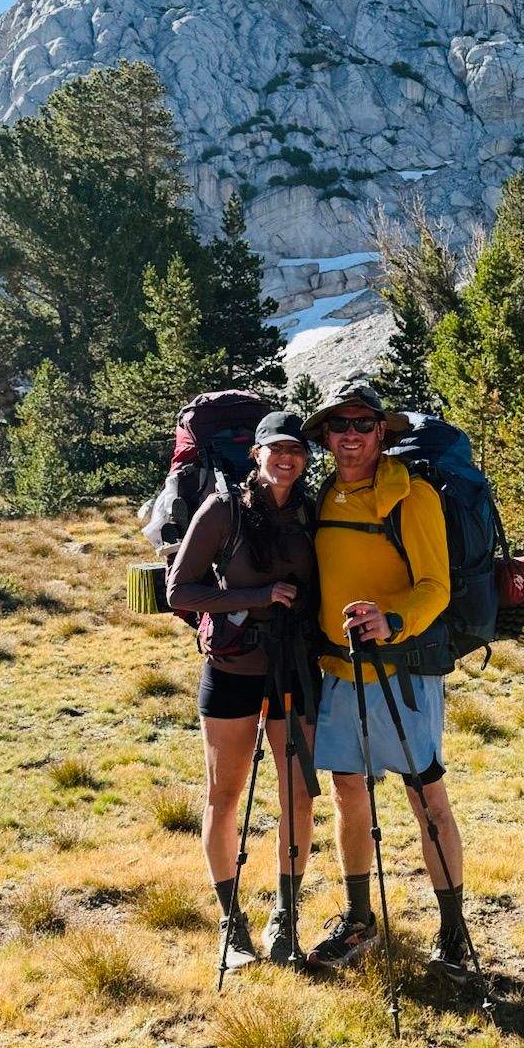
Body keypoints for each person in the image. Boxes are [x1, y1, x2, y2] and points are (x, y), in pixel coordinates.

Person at [301, 381, 470, 977]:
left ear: (382, 433)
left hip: (400, 673)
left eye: (363, 425)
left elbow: (436, 587)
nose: (351, 435)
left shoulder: (411, 495)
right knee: (348, 790)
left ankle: (453, 933)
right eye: (340, 425)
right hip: (338, 671)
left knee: (425, 795)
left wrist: (391, 620)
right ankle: (358, 920)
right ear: (325, 436)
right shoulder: (320, 496)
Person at [165, 412, 319, 968]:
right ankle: (232, 925)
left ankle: (286, 917)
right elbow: (180, 590)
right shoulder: (222, 509)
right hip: (232, 669)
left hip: (294, 668)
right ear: (255, 453)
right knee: (225, 796)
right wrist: (254, 599)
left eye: (296, 450)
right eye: (275, 448)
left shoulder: (310, 511)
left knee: (297, 794)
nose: (286, 458)